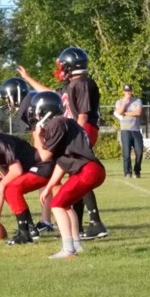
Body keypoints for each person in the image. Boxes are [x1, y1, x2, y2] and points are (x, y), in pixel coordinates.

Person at [17, 47, 110, 240]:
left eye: (62, 66)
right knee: (77, 174)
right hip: (75, 130)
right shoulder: (71, 84)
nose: (60, 69)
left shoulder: (83, 83)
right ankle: (85, 225)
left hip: (83, 129)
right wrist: (29, 79)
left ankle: (95, 222)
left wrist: (78, 135)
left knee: (81, 171)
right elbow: (50, 94)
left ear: (70, 65)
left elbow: (83, 114)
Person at [29, 92, 107, 259]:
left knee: (57, 205)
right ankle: (76, 245)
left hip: (87, 170)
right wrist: (49, 187)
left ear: (45, 110)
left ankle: (68, 249)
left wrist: (37, 134)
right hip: (91, 169)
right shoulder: (66, 123)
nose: (35, 114)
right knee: (65, 204)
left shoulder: (57, 123)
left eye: (37, 110)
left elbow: (44, 156)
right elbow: (62, 163)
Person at [0, 121, 55, 245]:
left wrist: (3, 184)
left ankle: (24, 234)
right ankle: (30, 229)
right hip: (32, 169)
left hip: (42, 166)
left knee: (11, 189)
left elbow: (16, 170)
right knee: (7, 189)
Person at [1, 77, 55, 234]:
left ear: (14, 94)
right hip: (54, 143)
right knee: (50, 183)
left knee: (49, 182)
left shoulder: (28, 105)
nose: (7, 103)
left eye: (7, 98)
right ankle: (48, 220)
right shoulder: (30, 100)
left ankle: (52, 221)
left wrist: (40, 155)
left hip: (51, 146)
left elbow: (38, 131)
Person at [114, 84, 144, 178]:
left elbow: (138, 112)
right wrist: (125, 103)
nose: (128, 93)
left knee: (139, 151)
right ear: (123, 92)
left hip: (135, 129)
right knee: (126, 153)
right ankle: (127, 172)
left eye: (129, 91)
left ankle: (137, 170)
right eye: (126, 91)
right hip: (125, 130)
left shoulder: (137, 101)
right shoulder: (119, 102)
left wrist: (125, 113)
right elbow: (118, 112)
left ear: (132, 91)